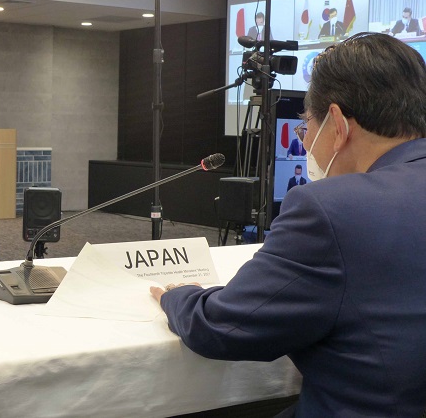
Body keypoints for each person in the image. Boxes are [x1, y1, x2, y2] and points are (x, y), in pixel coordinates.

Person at [150, 33, 426, 417]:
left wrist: (179, 295)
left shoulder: (330, 209)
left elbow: (222, 328)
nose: (306, 141)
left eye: (305, 126)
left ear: (337, 123)